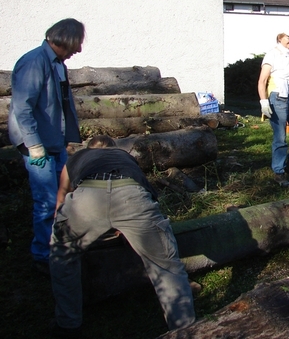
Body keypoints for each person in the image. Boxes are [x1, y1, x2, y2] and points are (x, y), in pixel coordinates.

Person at [49, 135, 195, 338]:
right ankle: (185, 328)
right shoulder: (124, 157)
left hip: (87, 198)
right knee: (167, 267)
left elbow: (61, 197)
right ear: (114, 147)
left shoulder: (76, 158)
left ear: (90, 148)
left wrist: (63, 229)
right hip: (131, 196)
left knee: (62, 254)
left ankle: (68, 324)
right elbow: (145, 194)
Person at [8, 18, 84, 275]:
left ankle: (60, 245)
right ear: (66, 40)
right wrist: (34, 145)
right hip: (37, 147)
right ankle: (42, 255)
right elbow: (23, 108)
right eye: (78, 44)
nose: (79, 50)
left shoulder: (58, 65)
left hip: (54, 144)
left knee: (63, 197)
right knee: (46, 201)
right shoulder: (34, 62)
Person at [258, 27, 289, 187]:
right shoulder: (271, 54)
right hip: (278, 97)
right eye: (288, 38)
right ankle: (278, 172)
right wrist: (264, 101)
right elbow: (262, 80)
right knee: (280, 137)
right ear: (280, 38)